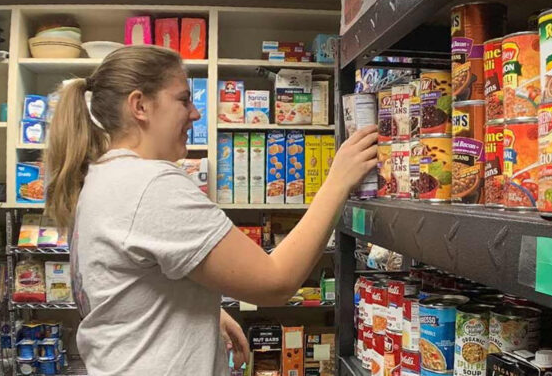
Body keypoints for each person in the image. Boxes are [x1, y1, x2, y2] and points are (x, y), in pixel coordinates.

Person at [44, 45, 379, 375]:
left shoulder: (102, 176)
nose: (195, 113)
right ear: (140, 105)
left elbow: (126, 288)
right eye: (183, 99)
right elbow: (276, 282)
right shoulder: (150, 185)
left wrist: (205, 310)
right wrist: (337, 182)